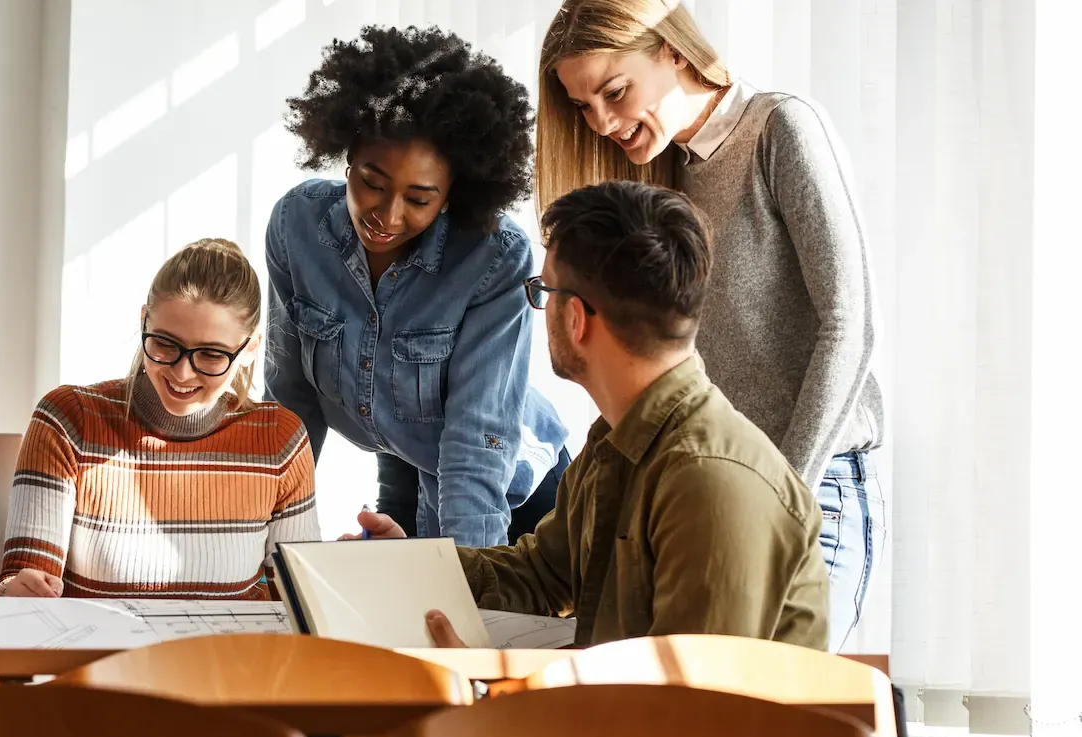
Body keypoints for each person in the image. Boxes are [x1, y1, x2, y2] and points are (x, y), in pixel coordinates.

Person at [533, 0, 883, 650]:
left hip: (813, 488)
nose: (603, 122)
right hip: (706, 499)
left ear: (672, 49)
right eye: (584, 107)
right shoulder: (663, 176)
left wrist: (781, 494)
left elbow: (851, 323)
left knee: (762, 714)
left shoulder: (781, 129)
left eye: (614, 91)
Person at [351, 182, 829, 651]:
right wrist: (410, 567)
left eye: (542, 290)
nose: (540, 307)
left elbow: (689, 713)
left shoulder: (710, 481)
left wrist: (494, 692)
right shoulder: (616, 441)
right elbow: (540, 575)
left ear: (575, 318)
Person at [265, 25, 570, 549]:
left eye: (419, 198)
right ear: (348, 155)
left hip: (510, 495)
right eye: (372, 183)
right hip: (404, 461)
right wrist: (271, 541)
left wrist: (470, 585)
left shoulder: (495, 258)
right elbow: (290, 404)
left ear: (453, 193)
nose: (387, 215)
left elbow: (475, 444)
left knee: (462, 616)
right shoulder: (298, 225)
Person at [0, 239, 318, 599]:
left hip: (231, 656)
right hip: (99, 654)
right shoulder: (69, 421)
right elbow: (20, 587)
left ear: (250, 349)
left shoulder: (279, 440)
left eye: (211, 354)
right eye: (165, 343)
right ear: (144, 321)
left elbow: (299, 605)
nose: (181, 372)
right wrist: (14, 594)